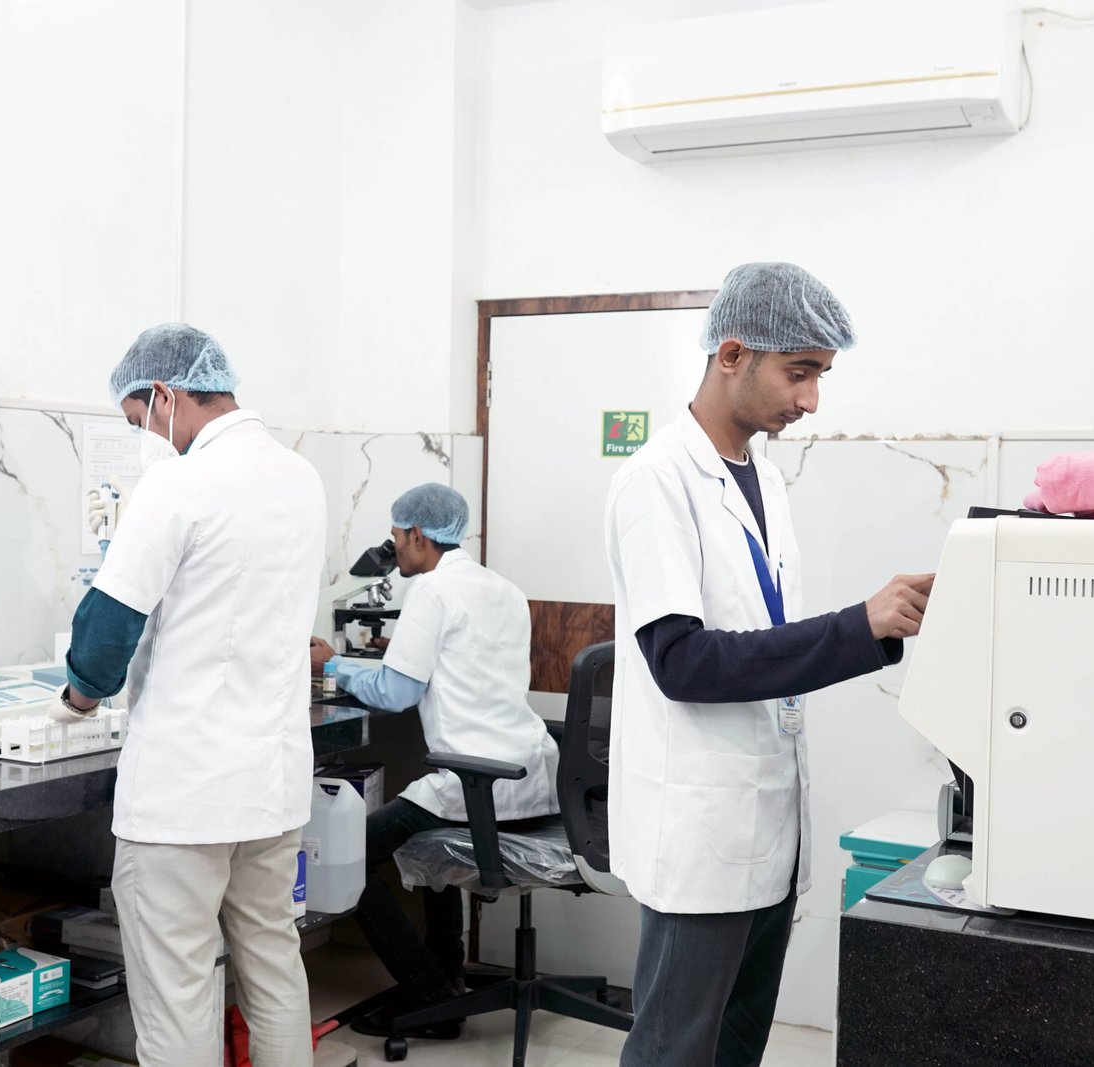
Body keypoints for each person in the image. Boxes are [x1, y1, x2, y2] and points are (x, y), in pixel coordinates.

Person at [604, 263, 934, 1067]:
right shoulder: (655, 482)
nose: (811, 399)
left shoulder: (766, 483)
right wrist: (858, 628)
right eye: (800, 372)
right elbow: (683, 662)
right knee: (675, 1051)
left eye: (820, 375)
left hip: (769, 825)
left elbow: (758, 639)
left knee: (736, 1048)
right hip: (702, 828)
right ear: (732, 354)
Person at [61, 323, 326, 1067]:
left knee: (179, 999)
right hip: (271, 789)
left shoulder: (177, 483)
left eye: (139, 419)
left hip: (182, 799)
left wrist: (77, 697)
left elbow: (106, 631)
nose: (146, 435)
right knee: (275, 974)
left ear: (165, 395)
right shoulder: (299, 476)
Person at [308, 483, 559, 1038]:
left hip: (475, 777)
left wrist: (333, 665)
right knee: (432, 858)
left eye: (396, 539)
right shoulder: (503, 588)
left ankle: (430, 997)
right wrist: (387, 655)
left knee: (350, 855)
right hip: (529, 773)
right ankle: (443, 983)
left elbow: (396, 694)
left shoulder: (432, 592)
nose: (394, 550)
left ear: (418, 536)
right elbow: (466, 665)